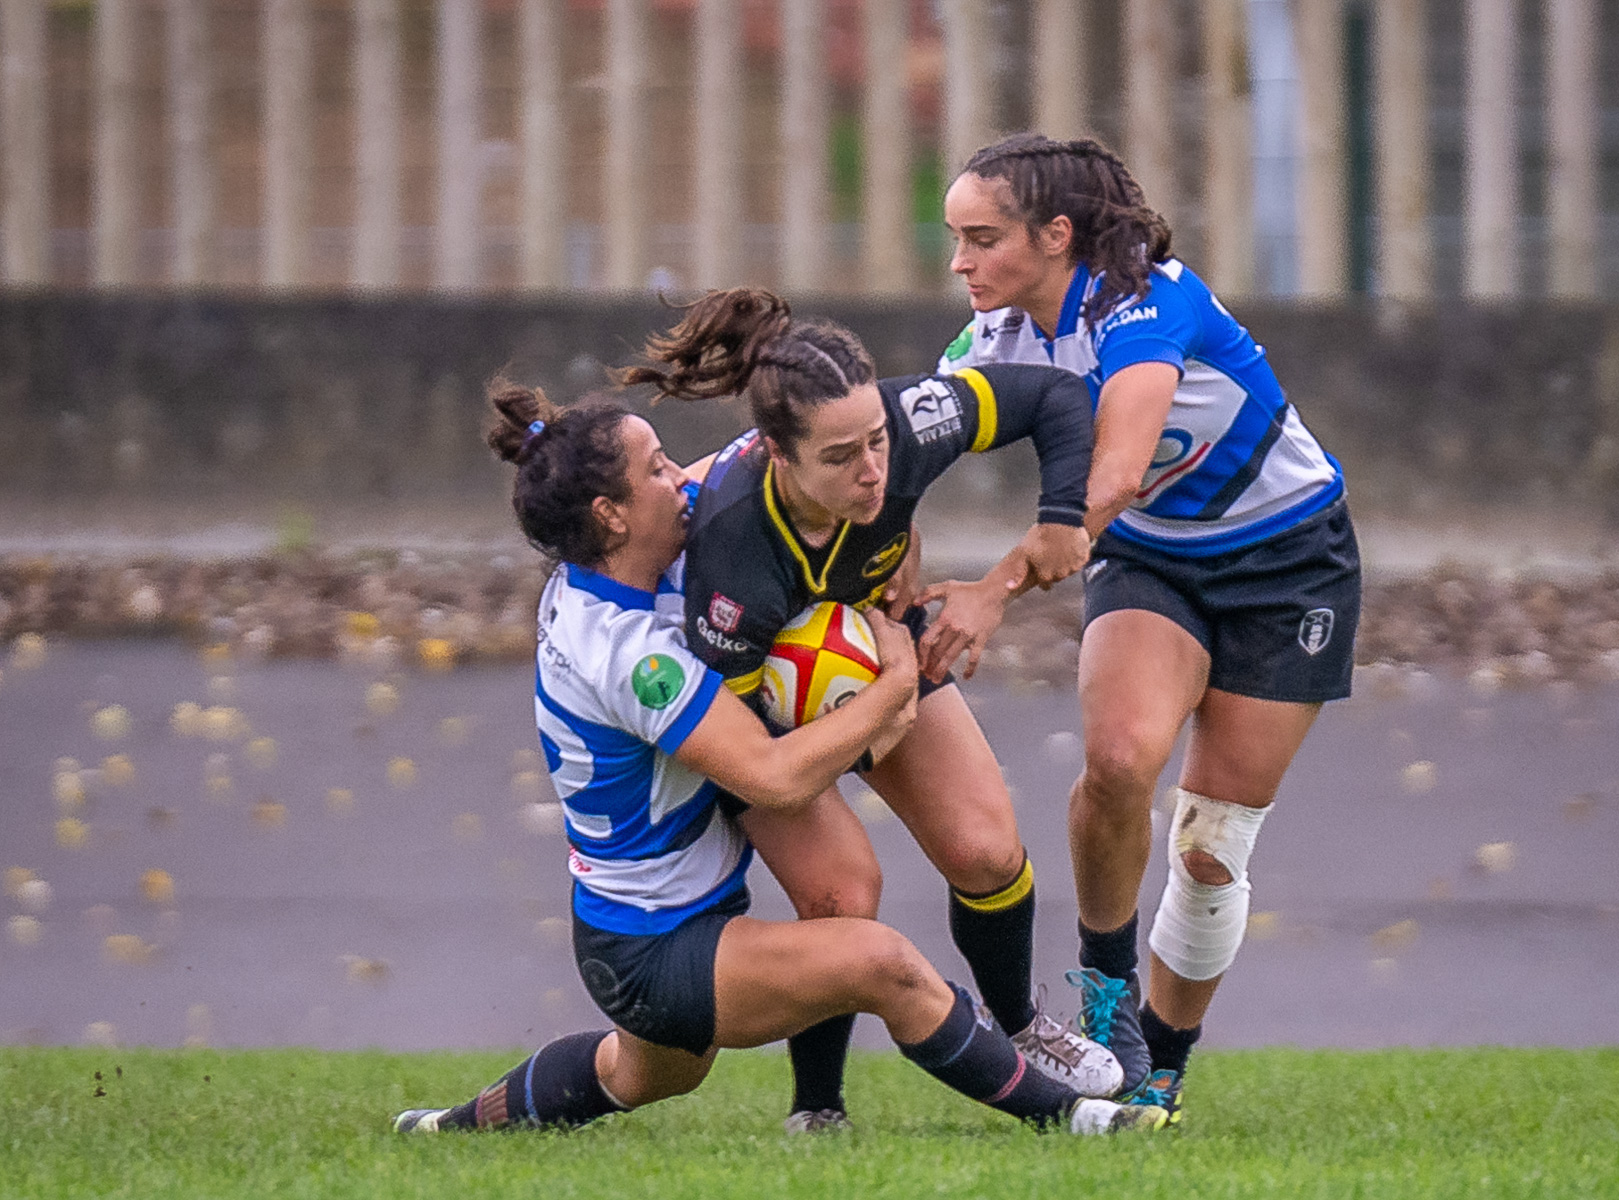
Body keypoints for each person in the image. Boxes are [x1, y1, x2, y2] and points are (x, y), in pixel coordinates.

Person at [392, 381, 1167, 1137]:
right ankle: (1080, 1118)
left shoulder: (615, 564)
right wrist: (892, 686)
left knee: (642, 1070)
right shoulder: (629, 658)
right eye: (657, 469)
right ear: (610, 514)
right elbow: (773, 777)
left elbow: (768, 464)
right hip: (658, 952)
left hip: (633, 924)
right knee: (885, 964)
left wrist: (887, 538)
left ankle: (443, 1129)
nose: (680, 477)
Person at [617, 288, 1122, 1131]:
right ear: (778, 455)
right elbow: (745, 753)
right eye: (842, 456)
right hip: (766, 713)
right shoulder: (732, 555)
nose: (874, 471)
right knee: (841, 895)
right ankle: (817, 1109)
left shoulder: (912, 421)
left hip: (875, 645)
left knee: (988, 851)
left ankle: (1023, 1029)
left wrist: (1062, 516)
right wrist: (877, 713)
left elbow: (1057, 396)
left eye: (878, 441)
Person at [939, 134, 1363, 1120]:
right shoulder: (997, 333)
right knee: (1122, 761)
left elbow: (1119, 473)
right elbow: (887, 442)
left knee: (1211, 849)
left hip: (1292, 561)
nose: (960, 263)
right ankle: (1108, 995)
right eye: (955, 239)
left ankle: (1163, 1062)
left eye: (982, 239)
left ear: (1056, 234)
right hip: (1152, 561)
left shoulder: (1145, 302)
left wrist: (992, 590)